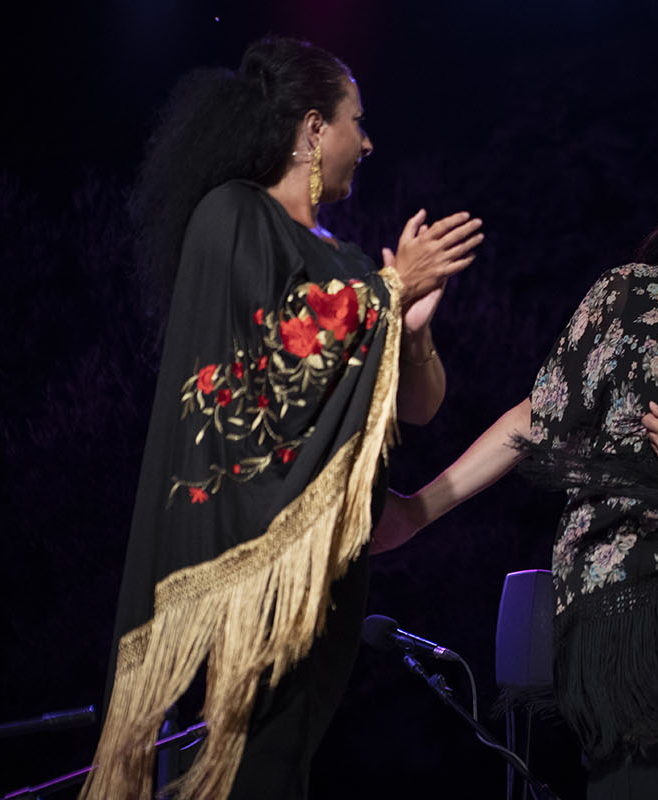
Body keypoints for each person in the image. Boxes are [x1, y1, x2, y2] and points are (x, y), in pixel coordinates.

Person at [373, 134, 658, 799]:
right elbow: (535, 418)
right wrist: (418, 510)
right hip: (627, 591)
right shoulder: (626, 297)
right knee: (641, 779)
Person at [85, 37, 482, 800]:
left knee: (284, 759)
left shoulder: (358, 265)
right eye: (354, 123)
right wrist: (391, 292)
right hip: (257, 556)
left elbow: (422, 406)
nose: (366, 143)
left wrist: (417, 326)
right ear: (309, 129)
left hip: (330, 564)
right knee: (249, 769)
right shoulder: (232, 214)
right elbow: (272, 356)